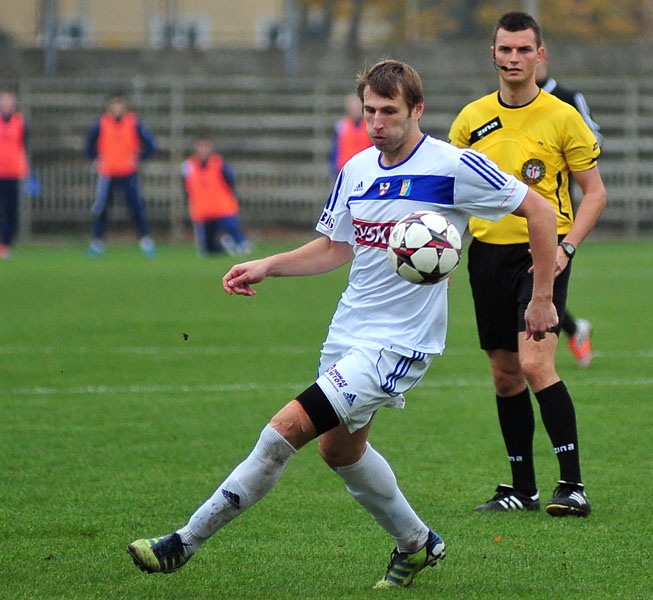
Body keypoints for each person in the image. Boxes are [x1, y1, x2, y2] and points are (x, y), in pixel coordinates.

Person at [126, 59, 560, 589]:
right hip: (350, 330)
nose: (376, 122)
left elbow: (539, 212)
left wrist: (540, 299)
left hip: (400, 343)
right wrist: (268, 264)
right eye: (370, 111)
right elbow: (335, 247)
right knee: (340, 449)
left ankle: (183, 542)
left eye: (389, 112)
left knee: (283, 431)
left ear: (417, 110)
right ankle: (418, 543)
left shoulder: (454, 166)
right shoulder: (357, 169)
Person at [449, 11, 607, 517]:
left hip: (543, 254)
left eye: (523, 50)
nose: (514, 58)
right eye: (505, 49)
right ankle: (523, 489)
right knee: (504, 374)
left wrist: (567, 247)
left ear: (541, 56)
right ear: (492, 55)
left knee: (537, 364)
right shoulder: (471, 120)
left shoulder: (562, 116)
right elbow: (451, 194)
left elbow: (596, 194)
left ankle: (573, 486)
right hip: (486, 255)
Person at [535, 53, 604, 369]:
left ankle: (559, 340)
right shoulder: (505, 103)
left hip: (555, 208)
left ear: (542, 56)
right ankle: (575, 329)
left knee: (538, 281)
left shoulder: (566, 98)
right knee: (525, 284)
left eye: (528, 52)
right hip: (516, 206)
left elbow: (594, 140)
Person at [84, 92, 156, 257]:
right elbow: (88, 145)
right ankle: (97, 242)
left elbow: (150, 145)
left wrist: (139, 158)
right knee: (101, 209)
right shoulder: (102, 124)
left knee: (136, 207)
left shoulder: (133, 123)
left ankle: (145, 241)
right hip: (107, 173)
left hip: (128, 172)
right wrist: (96, 159)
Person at [181, 136, 251, 256]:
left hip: (222, 208)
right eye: (200, 146)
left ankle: (238, 244)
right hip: (202, 211)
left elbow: (231, 182)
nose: (203, 149)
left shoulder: (219, 164)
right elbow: (186, 188)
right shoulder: (188, 166)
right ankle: (226, 247)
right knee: (207, 250)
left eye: (205, 146)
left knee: (234, 232)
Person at [0, 91, 28, 260]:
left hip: (13, 173)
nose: (7, 105)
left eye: (10, 102)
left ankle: (7, 243)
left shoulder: (21, 122)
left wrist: (25, 168)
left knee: (12, 211)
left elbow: (22, 147)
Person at [329, 94, 372, 179]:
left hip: (365, 169)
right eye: (352, 107)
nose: (355, 109)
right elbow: (335, 151)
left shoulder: (370, 125)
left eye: (357, 106)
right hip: (345, 170)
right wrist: (333, 173)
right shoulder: (341, 126)